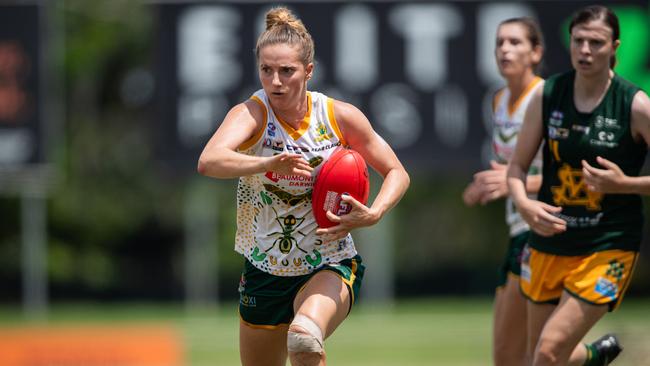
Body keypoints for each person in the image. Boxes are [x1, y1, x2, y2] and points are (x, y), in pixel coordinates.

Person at [197, 7, 410, 366]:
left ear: (308, 71)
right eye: (266, 70)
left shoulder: (337, 116)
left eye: (286, 71)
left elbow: (397, 172)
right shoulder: (252, 114)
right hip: (265, 268)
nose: (275, 81)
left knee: (304, 338)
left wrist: (374, 213)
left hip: (328, 261)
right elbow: (209, 161)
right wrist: (266, 162)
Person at [507, 5, 650, 365]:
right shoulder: (548, 94)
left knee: (548, 351)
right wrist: (525, 205)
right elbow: (517, 167)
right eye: (579, 40)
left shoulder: (634, 104)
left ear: (615, 46)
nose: (585, 50)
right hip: (550, 240)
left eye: (596, 43)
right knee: (542, 356)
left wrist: (625, 184)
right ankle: (593, 356)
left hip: (607, 244)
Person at [463, 17, 544, 366]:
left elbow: (566, 174)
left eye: (515, 42)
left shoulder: (546, 97)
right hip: (518, 229)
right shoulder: (497, 100)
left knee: (535, 351)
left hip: (545, 225)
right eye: (500, 42)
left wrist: (514, 184)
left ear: (536, 52)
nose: (505, 50)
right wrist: (485, 185)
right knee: (510, 354)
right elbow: (509, 167)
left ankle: (589, 354)